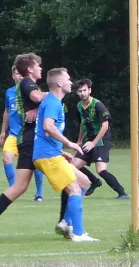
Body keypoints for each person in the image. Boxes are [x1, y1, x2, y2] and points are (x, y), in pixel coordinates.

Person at [0, 53, 47, 242]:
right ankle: (71, 226)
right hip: (27, 138)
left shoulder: (30, 86)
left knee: (21, 186)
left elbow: (38, 102)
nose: (41, 68)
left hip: (29, 138)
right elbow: (37, 97)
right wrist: (57, 91)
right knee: (73, 182)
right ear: (28, 69)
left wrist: (38, 109)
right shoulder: (26, 84)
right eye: (38, 65)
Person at [33, 68, 99, 242]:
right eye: (68, 79)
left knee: (84, 181)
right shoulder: (53, 102)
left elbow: (43, 133)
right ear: (60, 83)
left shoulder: (53, 102)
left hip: (51, 153)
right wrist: (69, 144)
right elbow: (48, 126)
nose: (72, 82)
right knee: (75, 189)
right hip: (47, 156)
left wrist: (62, 151)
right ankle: (78, 234)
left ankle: (66, 223)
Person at [73, 78, 129, 200]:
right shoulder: (78, 106)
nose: (82, 93)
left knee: (101, 170)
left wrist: (93, 143)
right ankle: (94, 181)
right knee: (73, 165)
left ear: (89, 90)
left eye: (84, 90)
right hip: (88, 141)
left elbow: (105, 125)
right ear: (77, 92)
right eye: (80, 91)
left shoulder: (97, 105)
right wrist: (79, 140)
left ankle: (122, 193)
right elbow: (82, 124)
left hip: (101, 140)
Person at [0, 65, 45, 200]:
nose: (19, 76)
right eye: (16, 74)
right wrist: (3, 130)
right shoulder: (9, 92)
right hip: (14, 134)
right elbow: (7, 111)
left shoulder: (33, 90)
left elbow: (42, 107)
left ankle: (39, 193)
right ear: (13, 76)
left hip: (28, 133)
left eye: (21, 74)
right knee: (6, 158)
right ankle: (14, 191)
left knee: (35, 163)